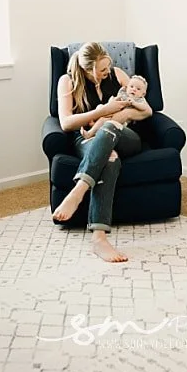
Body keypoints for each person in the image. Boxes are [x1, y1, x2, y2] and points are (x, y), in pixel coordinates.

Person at [50, 42, 151, 262]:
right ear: (87, 70)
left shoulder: (117, 74)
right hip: (86, 138)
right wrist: (103, 111)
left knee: (109, 127)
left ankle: (78, 190)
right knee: (110, 158)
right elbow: (66, 123)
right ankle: (99, 239)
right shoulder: (67, 81)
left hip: (124, 136)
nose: (108, 73)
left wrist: (122, 116)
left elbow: (146, 109)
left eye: (108, 67)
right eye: (102, 70)